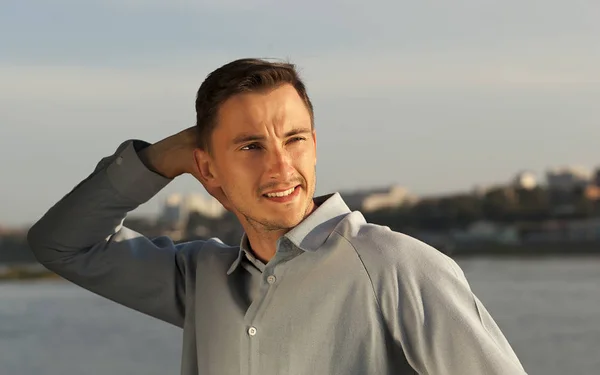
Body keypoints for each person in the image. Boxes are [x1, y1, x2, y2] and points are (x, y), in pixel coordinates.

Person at [27, 58, 527, 375]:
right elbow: (61, 244)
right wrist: (161, 158)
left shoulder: (396, 266)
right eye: (250, 146)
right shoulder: (201, 279)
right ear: (207, 168)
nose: (281, 167)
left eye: (295, 139)